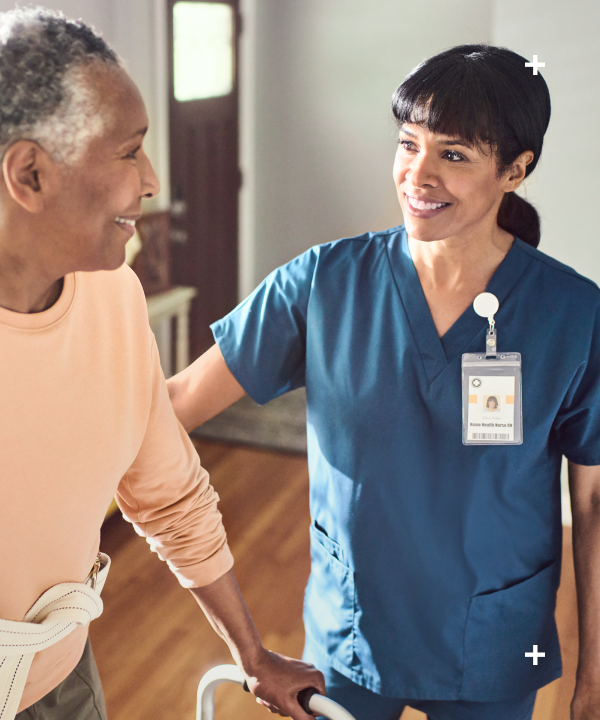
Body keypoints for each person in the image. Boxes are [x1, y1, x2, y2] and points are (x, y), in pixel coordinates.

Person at [0, 9, 324, 720]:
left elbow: (171, 495)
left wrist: (253, 656)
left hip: (70, 673)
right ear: (29, 174)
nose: (151, 180)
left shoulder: (112, 294)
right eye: (129, 152)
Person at [167, 45, 600, 720]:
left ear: (516, 170)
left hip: (491, 639)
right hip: (352, 633)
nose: (417, 175)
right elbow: (176, 406)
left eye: (453, 154)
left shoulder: (573, 315)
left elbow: (594, 503)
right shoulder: (321, 284)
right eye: (408, 144)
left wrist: (595, 674)